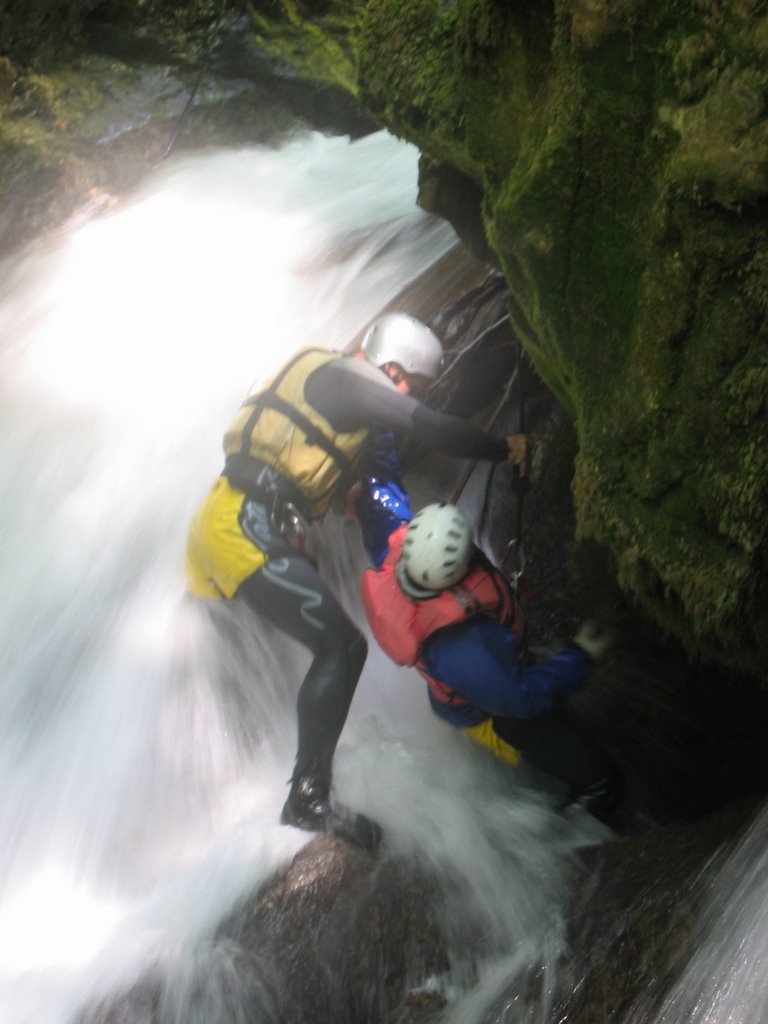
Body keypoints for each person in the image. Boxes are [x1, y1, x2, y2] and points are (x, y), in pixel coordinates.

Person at [185, 312, 528, 849]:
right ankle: (307, 797)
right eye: (411, 387)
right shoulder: (352, 380)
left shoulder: (323, 376)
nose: (405, 398)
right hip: (242, 528)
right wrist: (502, 448)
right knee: (341, 648)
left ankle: (229, 803)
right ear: (393, 368)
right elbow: (433, 428)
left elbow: (308, 454)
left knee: (263, 665)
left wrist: (343, 495)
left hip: (224, 523)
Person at [359, 498, 624, 824]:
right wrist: (580, 656)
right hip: (494, 715)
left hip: (483, 687)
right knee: (602, 784)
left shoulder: (398, 560)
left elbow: (383, 517)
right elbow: (518, 698)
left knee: (550, 716)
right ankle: (565, 840)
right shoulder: (457, 645)